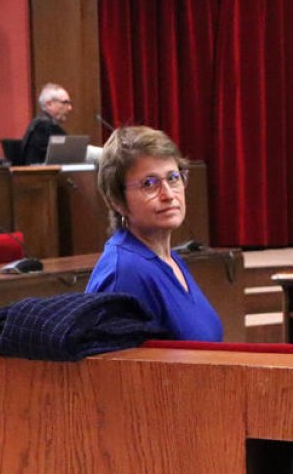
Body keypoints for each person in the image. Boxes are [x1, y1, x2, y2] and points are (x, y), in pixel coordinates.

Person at [85, 126, 221, 342]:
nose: (168, 194)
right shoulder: (124, 275)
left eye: (173, 178)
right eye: (149, 184)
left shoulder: (168, 258)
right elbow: (120, 373)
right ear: (117, 201)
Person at [18, 83, 73, 165]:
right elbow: (71, 152)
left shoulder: (39, 123)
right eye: (65, 103)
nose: (69, 108)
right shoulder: (45, 127)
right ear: (49, 104)